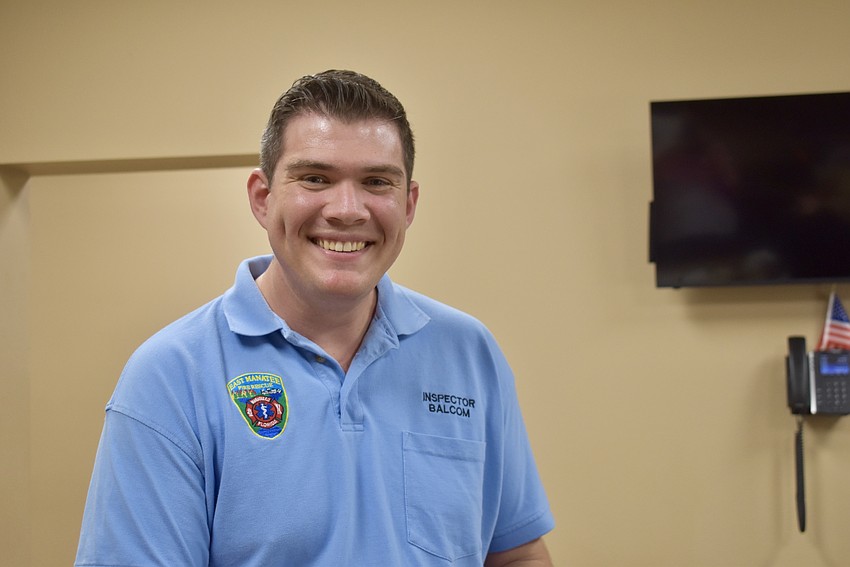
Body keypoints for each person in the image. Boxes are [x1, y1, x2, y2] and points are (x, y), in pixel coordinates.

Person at [75, 70, 554, 566]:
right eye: (315, 178)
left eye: (376, 182)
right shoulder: (171, 376)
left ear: (408, 204)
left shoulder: (468, 352)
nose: (347, 210)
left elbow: (516, 553)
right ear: (263, 198)